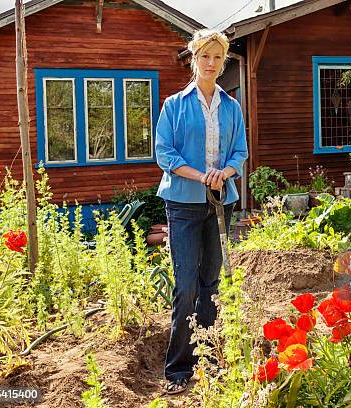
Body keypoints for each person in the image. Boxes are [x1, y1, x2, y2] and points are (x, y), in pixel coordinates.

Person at [154, 29, 248, 395]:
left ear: (223, 62)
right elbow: (166, 154)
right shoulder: (174, 105)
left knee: (211, 284)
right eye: (204, 56)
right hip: (183, 203)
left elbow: (239, 152)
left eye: (217, 58)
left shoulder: (231, 106)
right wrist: (202, 176)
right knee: (187, 285)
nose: (211, 64)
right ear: (194, 59)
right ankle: (178, 368)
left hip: (220, 202)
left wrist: (223, 173)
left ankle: (207, 359)